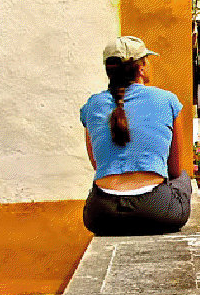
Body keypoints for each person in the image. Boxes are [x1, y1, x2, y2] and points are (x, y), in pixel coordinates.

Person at [80, 36, 191, 235]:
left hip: (102, 215)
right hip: (156, 210)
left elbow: (99, 165)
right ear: (141, 68)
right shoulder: (167, 100)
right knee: (183, 178)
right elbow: (173, 170)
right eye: (147, 60)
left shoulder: (92, 105)